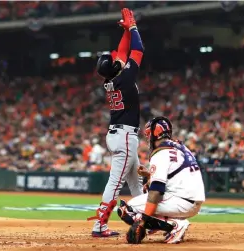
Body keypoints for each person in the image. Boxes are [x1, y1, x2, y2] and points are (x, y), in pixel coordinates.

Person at [87, 8, 144, 237]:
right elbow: (137, 51)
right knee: (115, 182)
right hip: (125, 137)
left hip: (118, 135)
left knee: (136, 184)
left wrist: (125, 33)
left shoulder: (114, 78)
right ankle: (99, 225)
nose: (116, 56)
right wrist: (133, 28)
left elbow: (122, 51)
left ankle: (145, 220)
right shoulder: (125, 77)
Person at [117, 116, 206, 244]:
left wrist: (143, 222)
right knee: (149, 186)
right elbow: (175, 175)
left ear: (155, 134)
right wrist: (149, 175)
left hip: (181, 202)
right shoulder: (180, 147)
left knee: (128, 209)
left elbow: (157, 191)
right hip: (192, 201)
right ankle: (169, 223)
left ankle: (174, 225)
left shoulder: (161, 153)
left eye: (149, 135)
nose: (148, 139)